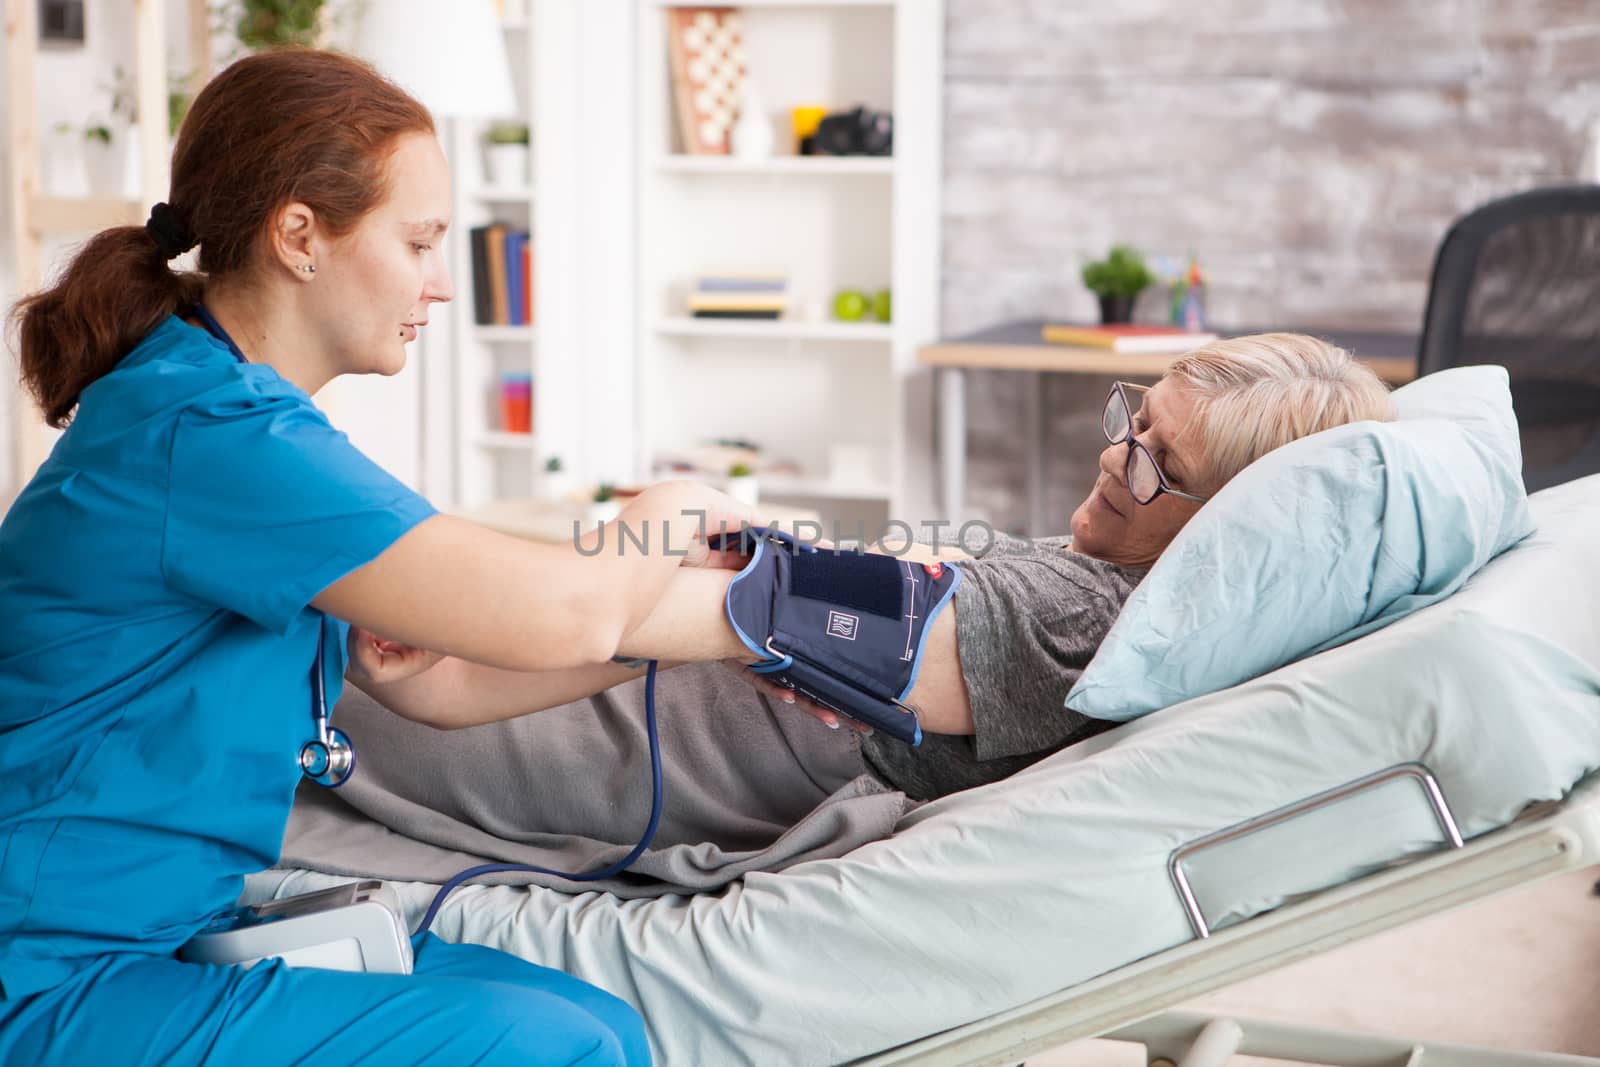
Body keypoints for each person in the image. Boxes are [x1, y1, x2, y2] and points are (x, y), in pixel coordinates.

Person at [0, 49, 758, 1067]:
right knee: (551, 1046)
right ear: (301, 235)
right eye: (419, 242)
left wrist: (733, 633)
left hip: (152, 934)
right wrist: (679, 506)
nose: (441, 285)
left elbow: (439, 683)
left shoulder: (231, 414)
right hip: (49, 974)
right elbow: (565, 614)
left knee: (607, 1025)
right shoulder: (217, 435)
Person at [296, 333, 1395, 888]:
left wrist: (675, 510)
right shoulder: (1092, 576)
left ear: (1223, 522)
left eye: (1163, 464)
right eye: (1136, 421)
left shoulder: (1080, 618)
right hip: (549, 694)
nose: (1119, 457)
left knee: (249, 649)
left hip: (569, 739)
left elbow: (748, 609)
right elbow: (770, 587)